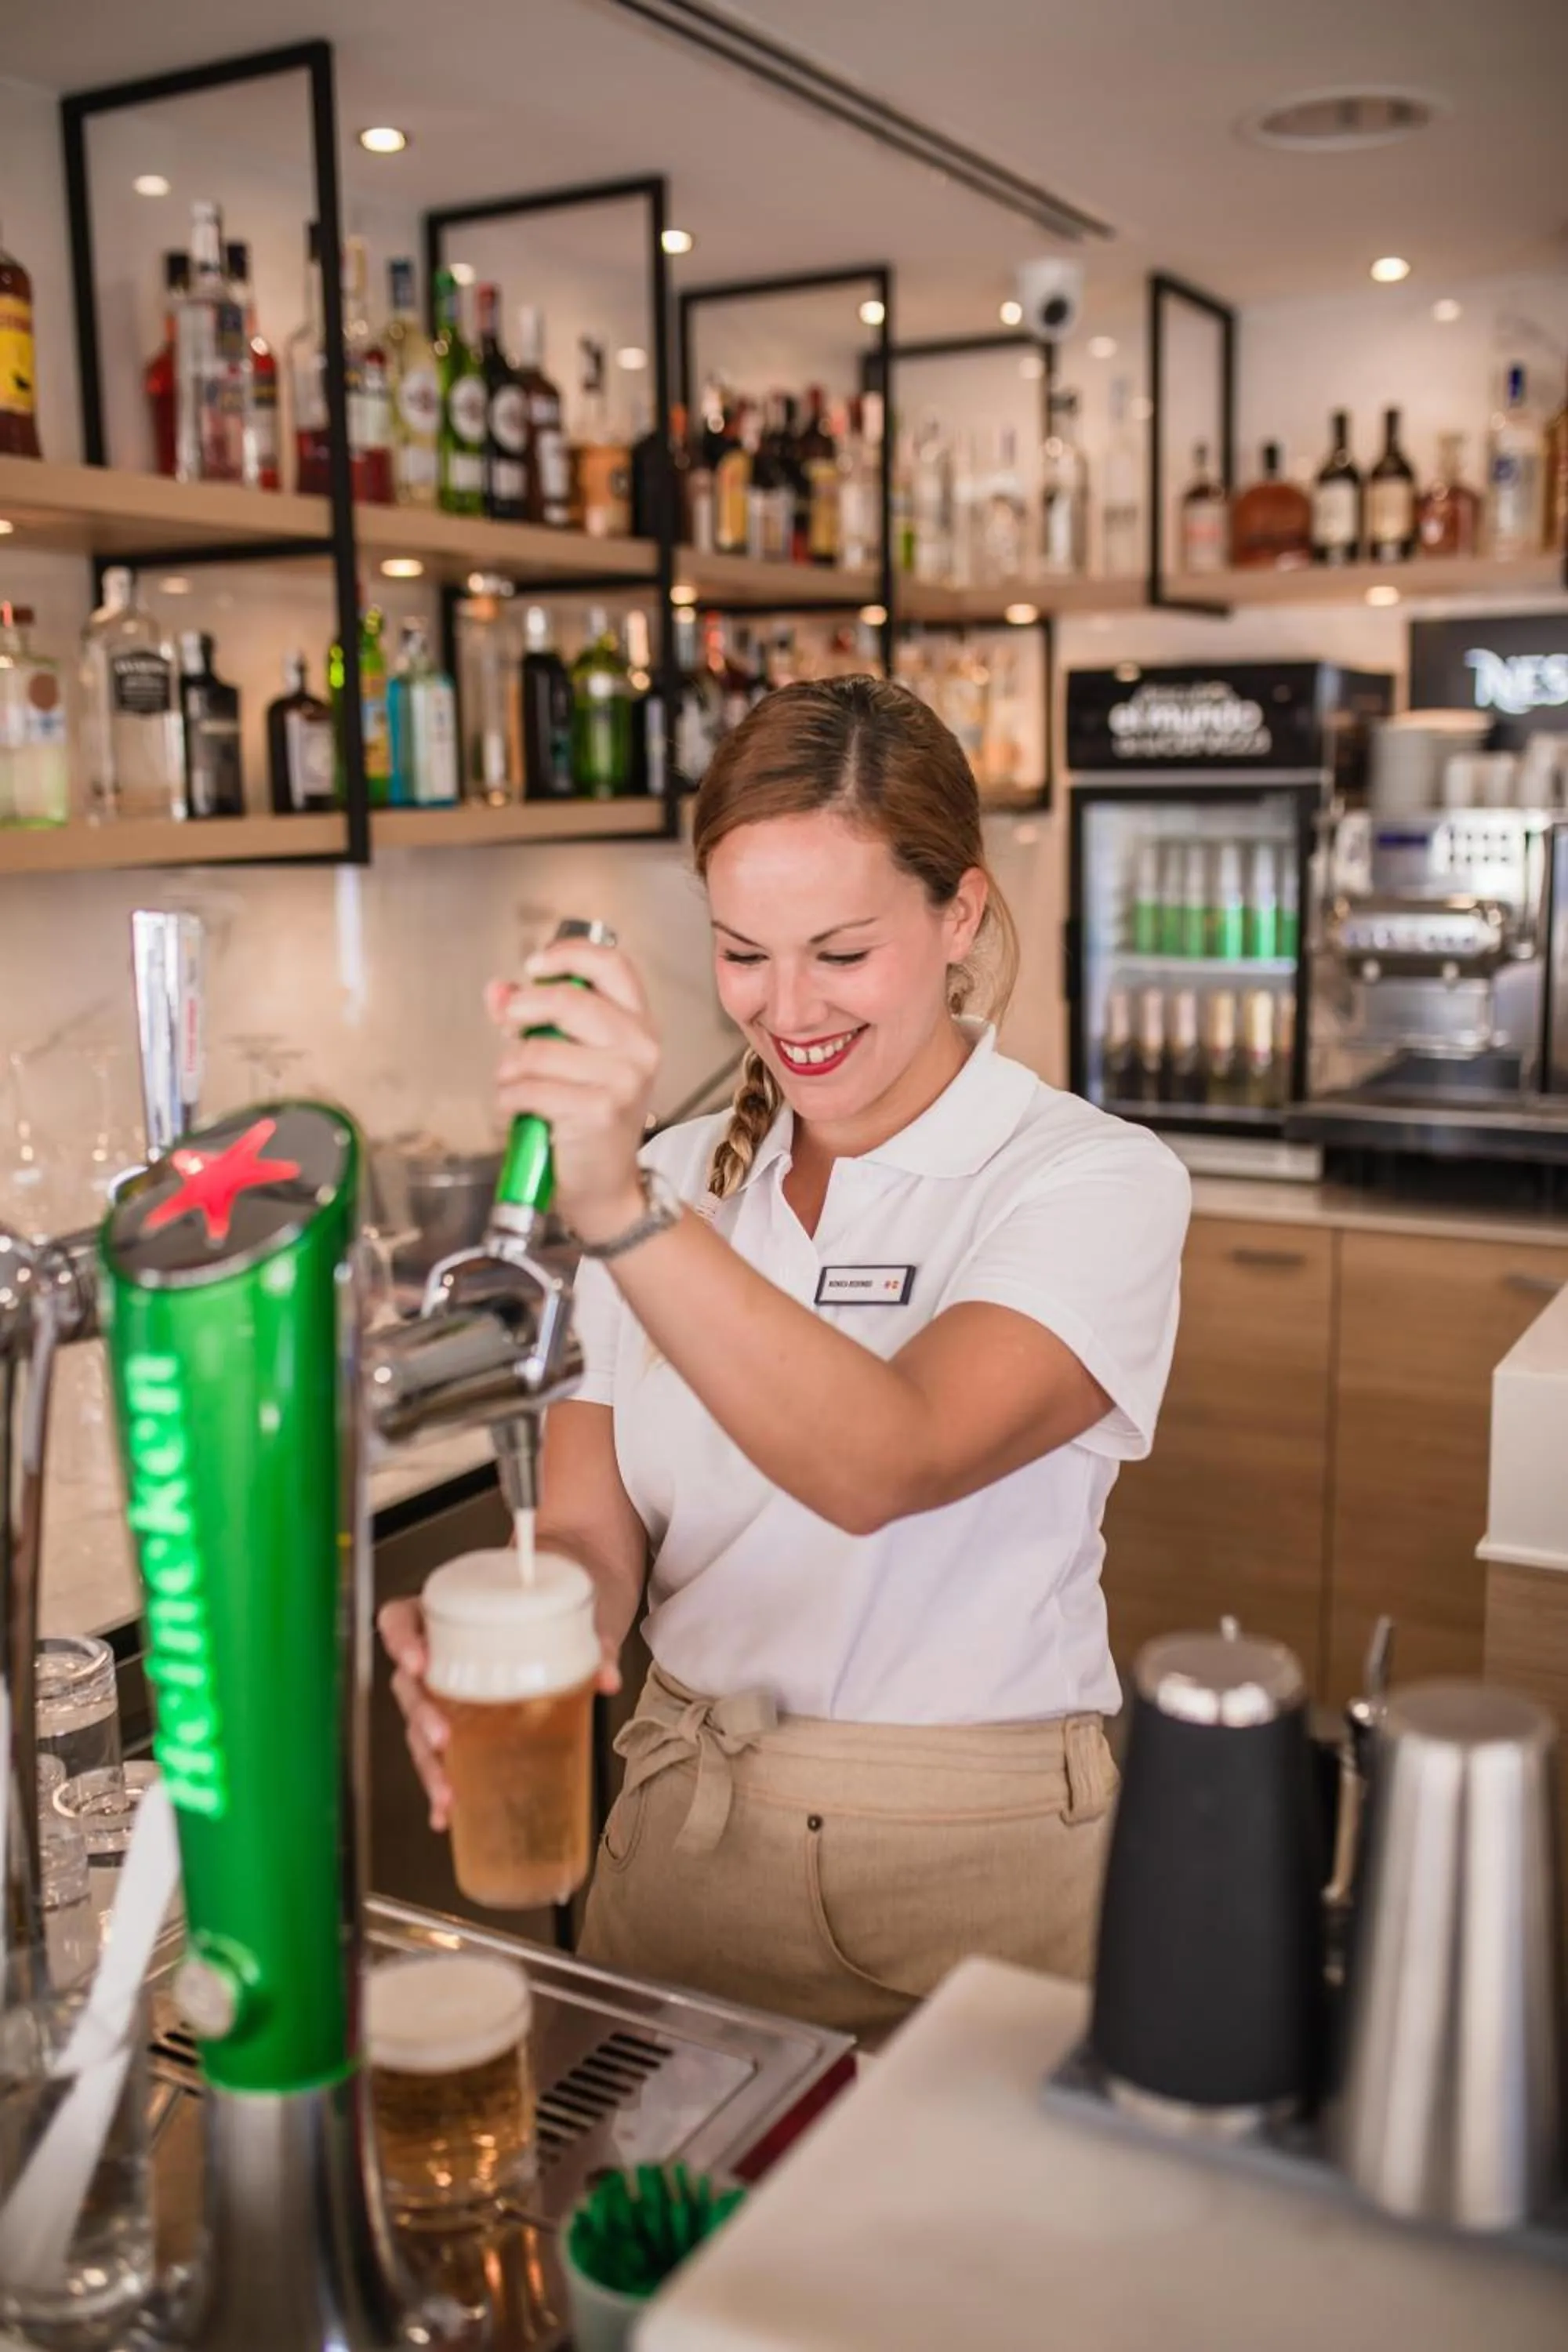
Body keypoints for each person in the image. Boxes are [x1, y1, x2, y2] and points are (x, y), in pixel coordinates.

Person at [382, 674, 1190, 2045]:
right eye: (743, 952)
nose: (787, 1005)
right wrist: (519, 1637)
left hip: (978, 1880)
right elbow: (589, 1532)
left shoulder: (1089, 1178)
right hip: (679, 1857)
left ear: (960, 915)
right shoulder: (671, 1177)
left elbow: (888, 1458)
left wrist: (621, 1215)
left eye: (841, 950)